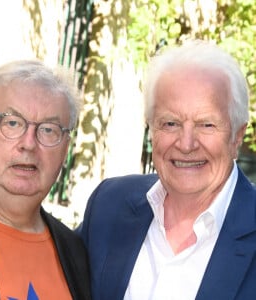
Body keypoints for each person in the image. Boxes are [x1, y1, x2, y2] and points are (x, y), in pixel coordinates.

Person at [77, 40, 256, 300]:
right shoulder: (109, 205)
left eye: (206, 124)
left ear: (237, 136)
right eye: (170, 123)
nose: (186, 144)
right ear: (150, 127)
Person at [0, 60, 91, 300]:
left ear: (65, 149)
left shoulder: (75, 252)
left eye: (48, 129)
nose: (29, 143)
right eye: (12, 123)